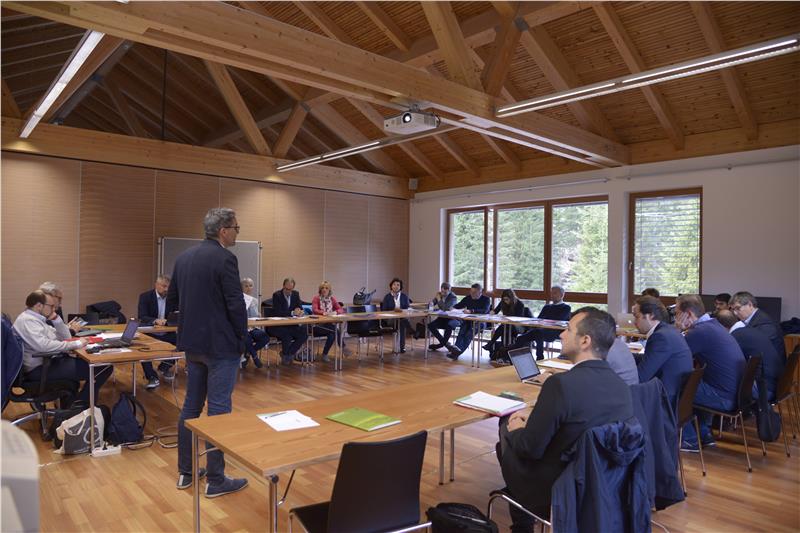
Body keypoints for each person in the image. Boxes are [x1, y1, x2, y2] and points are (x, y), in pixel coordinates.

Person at [498, 307, 633, 531]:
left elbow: (529, 449)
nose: (561, 334)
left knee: (505, 428)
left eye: (568, 329)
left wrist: (516, 428)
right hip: (603, 485)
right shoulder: (621, 386)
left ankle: (522, 522)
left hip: (559, 489)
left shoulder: (560, 384)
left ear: (585, 341)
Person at [169, 207, 248, 497]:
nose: (237, 233)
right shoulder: (225, 258)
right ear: (223, 231)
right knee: (218, 410)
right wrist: (242, 338)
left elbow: (173, 302)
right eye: (236, 228)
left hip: (193, 345)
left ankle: (186, 471)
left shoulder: (183, 258)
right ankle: (216, 480)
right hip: (221, 346)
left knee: (191, 407)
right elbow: (235, 304)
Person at [13, 290, 112, 407]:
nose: (54, 309)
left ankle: (74, 406)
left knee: (97, 366)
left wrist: (56, 319)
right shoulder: (28, 321)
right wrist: (76, 344)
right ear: (39, 306)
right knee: (103, 367)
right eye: (51, 306)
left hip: (47, 363)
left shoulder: (36, 319)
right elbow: (44, 346)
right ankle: (80, 405)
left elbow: (66, 337)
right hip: (39, 369)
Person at [674, 295, 745, 451]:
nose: (675, 317)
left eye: (677, 313)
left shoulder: (699, 332)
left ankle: (690, 440)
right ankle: (704, 434)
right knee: (694, 382)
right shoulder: (713, 325)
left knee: (673, 386)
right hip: (736, 395)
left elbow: (674, 355)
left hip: (724, 398)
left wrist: (678, 329)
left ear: (688, 314)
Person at [633, 296, 693, 407]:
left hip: (665, 400)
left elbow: (640, 377)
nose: (634, 322)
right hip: (675, 393)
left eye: (636, 317)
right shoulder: (668, 330)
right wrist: (627, 356)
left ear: (650, 315)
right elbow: (650, 357)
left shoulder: (660, 337)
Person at [717, 309, 784, 402]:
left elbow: (726, 365)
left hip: (765, 390)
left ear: (721, 326)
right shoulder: (751, 330)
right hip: (777, 385)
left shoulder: (735, 337)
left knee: (720, 384)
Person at [500, 286, 571, 361]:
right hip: (540, 331)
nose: (552, 295)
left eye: (555, 293)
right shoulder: (547, 307)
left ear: (562, 295)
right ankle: (510, 356)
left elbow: (558, 320)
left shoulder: (566, 307)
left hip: (554, 332)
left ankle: (539, 358)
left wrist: (544, 321)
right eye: (551, 293)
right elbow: (539, 319)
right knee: (521, 338)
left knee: (538, 333)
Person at [137, 275, 178, 389]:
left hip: (167, 332)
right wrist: (155, 320)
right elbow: (142, 316)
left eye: (168, 287)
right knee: (143, 350)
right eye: (164, 286)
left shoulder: (173, 298)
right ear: (156, 285)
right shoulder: (145, 297)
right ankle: (151, 376)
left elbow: (177, 314)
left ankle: (164, 367)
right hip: (150, 333)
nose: (166, 289)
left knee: (181, 344)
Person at [730, 291, 786, 359]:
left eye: (738, 308)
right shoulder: (759, 318)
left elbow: (757, 350)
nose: (735, 313)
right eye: (733, 309)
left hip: (768, 364)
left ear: (750, 305)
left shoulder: (764, 324)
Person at [445, 283, 491, 360]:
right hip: (469, 320)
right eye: (471, 291)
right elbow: (459, 305)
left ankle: (456, 353)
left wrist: (471, 311)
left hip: (481, 322)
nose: (472, 294)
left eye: (474, 292)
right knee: (461, 332)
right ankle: (455, 351)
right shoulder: (468, 298)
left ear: (480, 292)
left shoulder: (486, 299)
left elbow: (485, 310)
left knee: (469, 334)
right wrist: (452, 308)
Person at [270, 278, 309, 365]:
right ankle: (287, 356)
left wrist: (300, 311)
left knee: (304, 334)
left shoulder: (295, 294)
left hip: (291, 324)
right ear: (283, 286)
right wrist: (292, 313)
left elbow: (299, 307)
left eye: (291, 289)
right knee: (287, 335)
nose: (289, 291)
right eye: (287, 289)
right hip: (279, 325)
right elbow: (278, 312)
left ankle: (287, 354)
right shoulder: (277, 295)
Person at [311, 281, 347, 363]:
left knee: (332, 334)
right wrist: (324, 313)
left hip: (328, 326)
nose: (324, 290)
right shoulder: (316, 298)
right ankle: (343, 347)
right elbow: (314, 310)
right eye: (322, 288)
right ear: (320, 290)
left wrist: (335, 312)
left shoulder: (332, 299)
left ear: (329, 290)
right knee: (335, 330)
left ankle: (325, 354)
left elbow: (341, 309)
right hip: (317, 326)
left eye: (326, 288)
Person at [484, 289, 527, 356]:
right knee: (504, 327)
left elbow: (519, 318)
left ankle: (491, 343)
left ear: (512, 298)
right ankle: (494, 346)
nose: (505, 301)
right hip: (507, 326)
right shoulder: (503, 302)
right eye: (504, 299)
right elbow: (495, 311)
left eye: (507, 299)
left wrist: (507, 317)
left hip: (518, 326)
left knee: (503, 327)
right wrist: (492, 312)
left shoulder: (519, 304)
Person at [380, 278, 412, 353]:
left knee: (402, 323)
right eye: (394, 284)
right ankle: (411, 332)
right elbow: (384, 309)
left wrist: (402, 310)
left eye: (398, 285)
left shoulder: (404, 296)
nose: (396, 286)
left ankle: (402, 347)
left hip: (401, 318)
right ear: (391, 286)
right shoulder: (387, 297)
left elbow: (407, 308)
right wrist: (394, 310)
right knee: (403, 322)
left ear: (400, 287)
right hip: (390, 319)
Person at [241, 278, 267, 369]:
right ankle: (255, 358)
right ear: (241, 288)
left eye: (250, 286)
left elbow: (255, 315)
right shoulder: (238, 300)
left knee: (265, 337)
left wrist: (259, 315)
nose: (249, 288)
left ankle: (249, 353)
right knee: (247, 338)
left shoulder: (255, 300)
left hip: (253, 327)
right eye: (246, 286)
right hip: (243, 328)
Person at [426, 282, 459, 350]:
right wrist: (431, 303)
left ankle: (441, 344)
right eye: (442, 291)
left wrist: (438, 299)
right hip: (442, 318)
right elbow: (431, 304)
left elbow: (445, 308)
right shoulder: (440, 294)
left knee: (449, 325)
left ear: (449, 290)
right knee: (430, 325)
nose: (443, 293)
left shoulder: (453, 297)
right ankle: (445, 344)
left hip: (451, 318)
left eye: (445, 292)